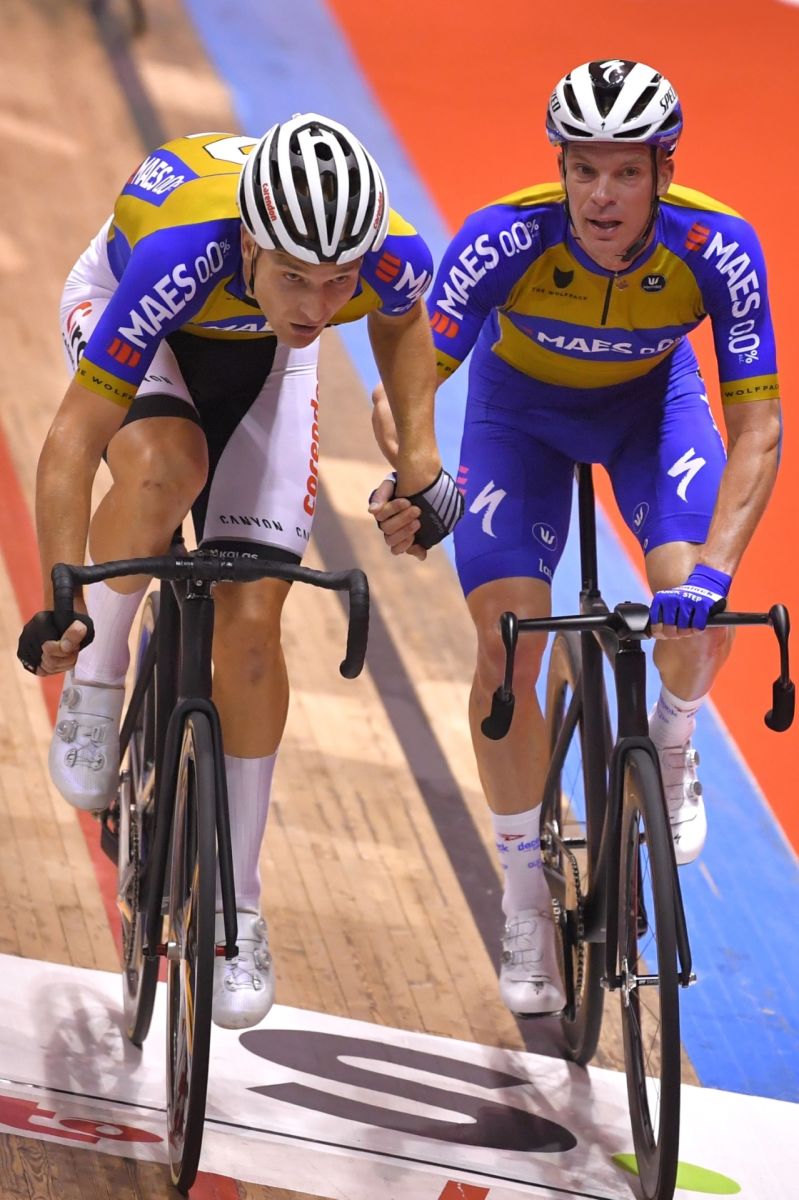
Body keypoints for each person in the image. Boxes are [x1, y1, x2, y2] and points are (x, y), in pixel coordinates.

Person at [17, 114, 461, 1030]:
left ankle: (238, 910)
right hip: (138, 319)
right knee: (164, 467)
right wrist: (65, 597)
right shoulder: (177, 255)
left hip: (265, 363)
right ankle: (99, 682)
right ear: (251, 244)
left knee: (253, 628)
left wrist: (420, 467)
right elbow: (71, 441)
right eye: (295, 276)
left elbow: (403, 322)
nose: (318, 304)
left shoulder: (387, 258)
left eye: (337, 281)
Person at [371, 60, 781, 1016]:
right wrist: (419, 481)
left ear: (664, 173)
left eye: (625, 172)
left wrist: (714, 571)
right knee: (506, 647)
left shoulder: (717, 247)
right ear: (558, 167)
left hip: (652, 412)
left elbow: (757, 425)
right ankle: (522, 896)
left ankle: (672, 746)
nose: (601, 195)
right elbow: (406, 391)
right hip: (518, 417)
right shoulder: (502, 237)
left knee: (695, 608)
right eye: (583, 169)